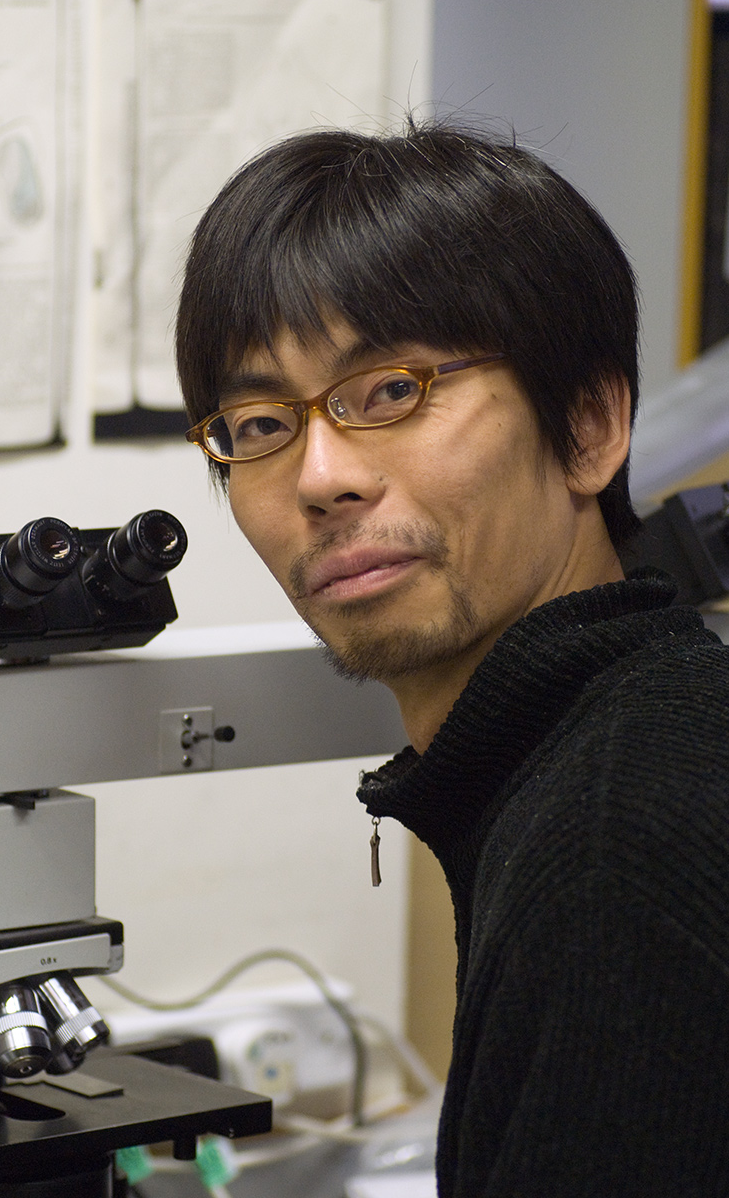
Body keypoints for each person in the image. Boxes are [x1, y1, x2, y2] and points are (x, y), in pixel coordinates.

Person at [175, 118, 729, 1197]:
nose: (320, 476)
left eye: (390, 392)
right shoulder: (607, 750)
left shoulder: (616, 843)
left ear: (587, 426)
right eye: (255, 423)